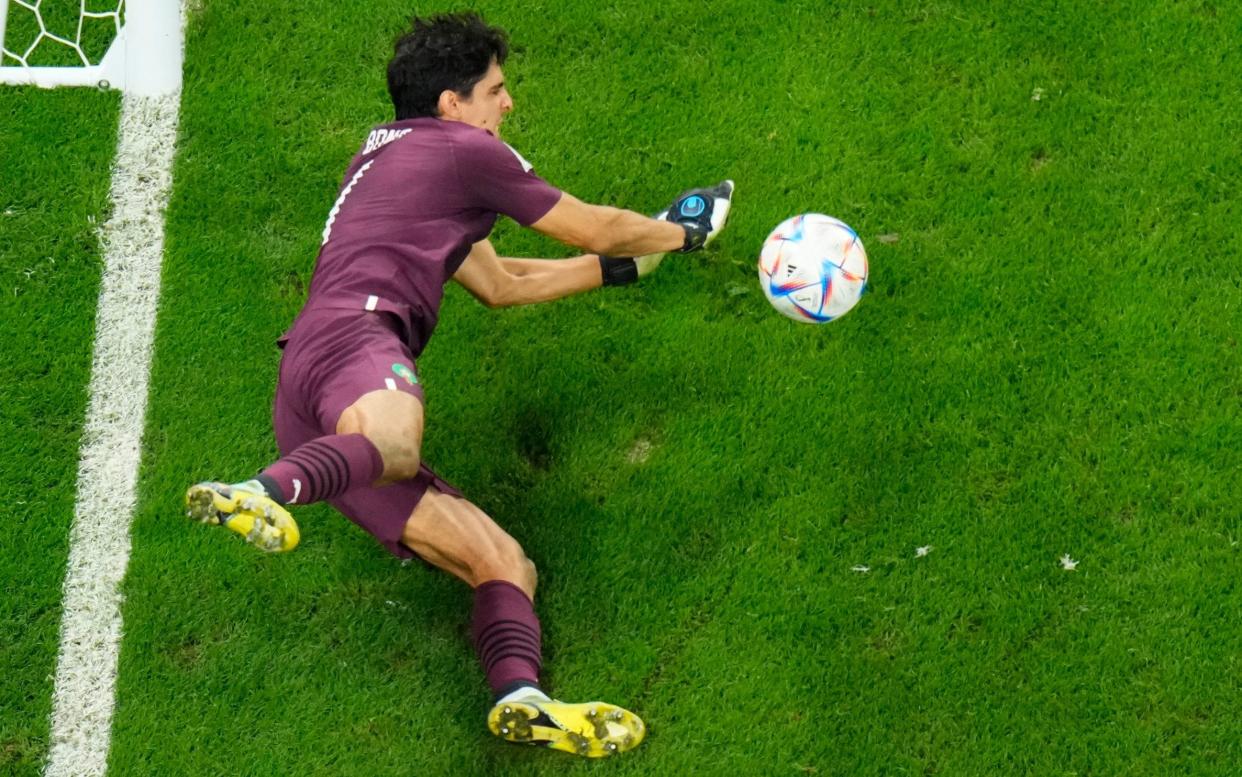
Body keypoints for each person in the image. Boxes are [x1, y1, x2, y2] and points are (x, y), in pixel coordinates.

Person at [185, 11, 732, 759]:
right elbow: (596, 224)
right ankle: (259, 491)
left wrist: (620, 269)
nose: (507, 105)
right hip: (358, 343)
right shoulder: (466, 151)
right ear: (452, 104)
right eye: (496, 90)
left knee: (505, 562)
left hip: (312, 390)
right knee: (396, 443)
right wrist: (682, 232)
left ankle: (522, 698)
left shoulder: (389, 160)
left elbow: (502, 282)